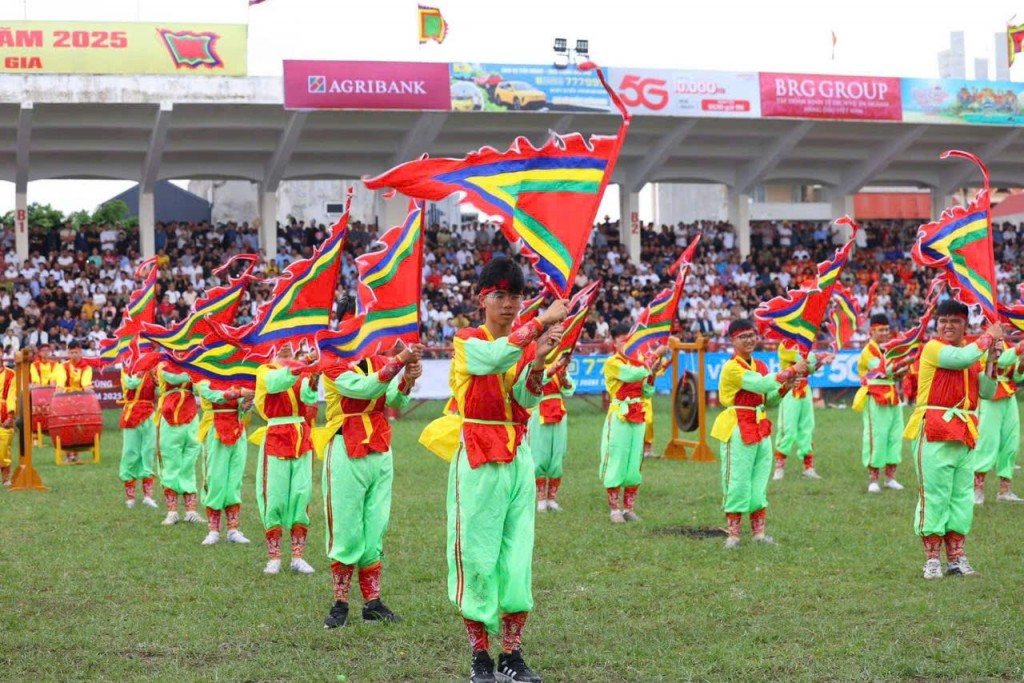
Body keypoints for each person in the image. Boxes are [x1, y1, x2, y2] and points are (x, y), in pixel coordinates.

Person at [445, 256, 567, 683]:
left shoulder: (523, 345)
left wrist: (538, 364)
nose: (509, 304)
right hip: (479, 456)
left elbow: (526, 399)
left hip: (517, 455)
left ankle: (512, 655)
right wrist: (538, 325)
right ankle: (480, 655)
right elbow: (491, 359)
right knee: (478, 554)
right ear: (483, 299)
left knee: (517, 557)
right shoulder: (467, 341)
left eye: (515, 296)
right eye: (500, 296)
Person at [322, 343, 423, 629]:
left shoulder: (378, 359)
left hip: (379, 448)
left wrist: (408, 379)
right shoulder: (331, 361)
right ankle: (340, 603)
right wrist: (401, 360)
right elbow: (364, 389)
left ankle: (372, 603)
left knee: (375, 525)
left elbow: (395, 401)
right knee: (345, 526)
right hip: (346, 447)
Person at [903, 300, 1001, 579]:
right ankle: (932, 560)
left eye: (955, 321)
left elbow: (988, 390)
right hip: (934, 428)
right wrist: (989, 337)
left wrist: (993, 359)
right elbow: (960, 359)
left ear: (964, 325)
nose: (948, 326)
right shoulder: (934, 349)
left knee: (961, 497)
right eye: (943, 321)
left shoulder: (971, 355)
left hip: (964, 430)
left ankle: (956, 558)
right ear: (937, 324)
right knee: (934, 495)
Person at [710, 319, 806, 548]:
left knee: (759, 480)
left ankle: (758, 534)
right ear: (732, 340)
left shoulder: (761, 365)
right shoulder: (732, 367)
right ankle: (733, 535)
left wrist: (785, 386)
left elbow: (768, 399)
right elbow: (762, 385)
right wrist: (791, 370)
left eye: (752, 335)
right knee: (738, 480)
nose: (750, 340)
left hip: (760, 426)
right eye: (743, 336)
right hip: (738, 427)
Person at [253, 343, 319, 575]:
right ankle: (274, 557)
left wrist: (314, 380)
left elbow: (309, 399)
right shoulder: (265, 371)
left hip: (301, 436)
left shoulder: (301, 371)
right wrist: (307, 361)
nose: (284, 348)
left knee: (302, 494)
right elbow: (276, 383)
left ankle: (298, 556)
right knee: (276, 496)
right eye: (279, 344)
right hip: (276, 436)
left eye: (288, 345)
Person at [599, 327, 668, 524]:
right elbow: (630, 375)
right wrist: (655, 356)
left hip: (638, 414)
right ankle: (614, 509)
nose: (626, 345)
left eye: (629, 341)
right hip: (620, 414)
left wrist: (652, 374)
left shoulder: (639, 364)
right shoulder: (613, 362)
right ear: (614, 343)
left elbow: (647, 392)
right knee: (617, 457)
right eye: (622, 341)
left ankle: (629, 508)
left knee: (634, 461)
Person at [197, 381, 255, 545]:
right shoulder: (203, 377)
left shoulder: (236, 378)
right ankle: (213, 531)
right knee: (215, 479)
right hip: (215, 429)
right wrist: (241, 392)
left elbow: (243, 408)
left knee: (234, 480)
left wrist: (247, 403)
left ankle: (233, 529)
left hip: (237, 430)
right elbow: (213, 395)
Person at [854, 314, 906, 493]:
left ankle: (890, 478)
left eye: (886, 329)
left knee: (895, 436)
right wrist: (905, 363)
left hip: (892, 395)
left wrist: (902, 369)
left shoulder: (888, 349)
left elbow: (895, 373)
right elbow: (882, 370)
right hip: (875, 396)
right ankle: (873, 479)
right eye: (880, 330)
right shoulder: (868, 351)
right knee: (877, 437)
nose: (885, 333)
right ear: (871, 331)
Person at [773, 340, 833, 481]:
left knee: (807, 428)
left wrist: (821, 363)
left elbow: (808, 369)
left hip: (805, 389)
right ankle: (779, 468)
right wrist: (821, 356)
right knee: (787, 429)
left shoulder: (803, 344)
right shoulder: (785, 345)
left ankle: (808, 467)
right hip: (789, 389)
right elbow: (800, 359)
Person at [972, 341, 1024, 504]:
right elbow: (999, 361)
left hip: (1008, 395)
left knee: (1011, 441)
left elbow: (1015, 376)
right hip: (991, 394)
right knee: (988, 440)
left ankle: (1004, 490)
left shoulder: (1009, 345)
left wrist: (1021, 365)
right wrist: (1019, 348)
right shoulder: (986, 343)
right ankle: (977, 489)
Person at [157, 362, 203, 526]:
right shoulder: (163, 364)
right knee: (171, 463)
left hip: (191, 417)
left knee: (189, 463)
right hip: (170, 419)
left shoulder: (192, 361)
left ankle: (191, 511)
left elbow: (200, 387)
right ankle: (172, 512)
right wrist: (198, 371)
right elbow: (173, 377)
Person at [529, 355, 575, 512]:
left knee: (558, 454)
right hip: (540, 411)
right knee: (540, 454)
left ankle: (552, 499)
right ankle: (540, 499)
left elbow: (569, 390)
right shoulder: (534, 364)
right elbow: (539, 381)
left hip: (559, 412)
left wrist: (564, 381)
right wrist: (556, 366)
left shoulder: (561, 368)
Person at [119, 357, 159, 509]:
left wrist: (156, 381)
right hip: (131, 414)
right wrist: (141, 372)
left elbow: (159, 392)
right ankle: (130, 497)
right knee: (130, 452)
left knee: (148, 451)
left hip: (148, 414)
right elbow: (131, 384)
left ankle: (148, 496)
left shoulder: (151, 373)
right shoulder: (125, 371)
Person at [0, 360, 15, 486]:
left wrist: (11, 416)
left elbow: (12, 396)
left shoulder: (11, 374)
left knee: (4, 447)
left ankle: (6, 477)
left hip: (4, 413)